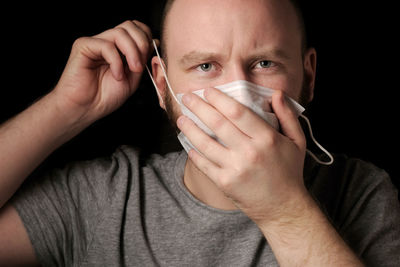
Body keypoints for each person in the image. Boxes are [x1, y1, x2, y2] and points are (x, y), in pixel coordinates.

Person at [0, 0, 399, 266]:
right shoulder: (108, 198)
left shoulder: (360, 193)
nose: (239, 95)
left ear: (308, 76)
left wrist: (284, 211)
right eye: (206, 66)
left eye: (263, 63)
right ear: (162, 85)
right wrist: (64, 109)